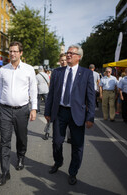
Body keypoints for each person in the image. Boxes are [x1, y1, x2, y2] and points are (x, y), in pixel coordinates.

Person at [44, 44, 95, 185]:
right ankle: (58, 162)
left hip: (77, 114)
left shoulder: (86, 73)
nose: (68, 55)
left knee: (77, 145)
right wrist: (47, 111)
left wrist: (90, 117)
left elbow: (91, 97)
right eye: (67, 53)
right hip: (60, 111)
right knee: (57, 142)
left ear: (79, 57)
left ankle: (73, 172)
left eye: (71, 53)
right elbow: (51, 94)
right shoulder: (57, 72)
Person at [0, 41, 37, 186]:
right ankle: (5, 172)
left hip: (22, 109)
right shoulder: (3, 70)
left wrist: (34, 108)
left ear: (21, 53)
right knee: (4, 141)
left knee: (21, 137)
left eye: (15, 51)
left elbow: (33, 90)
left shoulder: (29, 69)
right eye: (10, 51)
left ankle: (20, 156)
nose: (12, 53)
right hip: (4, 109)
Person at [59, 53, 71, 143]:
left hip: (72, 107)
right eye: (62, 60)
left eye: (65, 60)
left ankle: (70, 136)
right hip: (60, 107)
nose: (63, 62)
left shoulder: (73, 72)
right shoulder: (57, 72)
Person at [36, 66, 50, 140]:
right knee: (46, 101)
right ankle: (47, 109)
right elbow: (48, 82)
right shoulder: (46, 75)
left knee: (38, 100)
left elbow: (36, 83)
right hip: (46, 89)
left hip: (39, 89)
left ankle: (38, 109)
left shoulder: (37, 76)